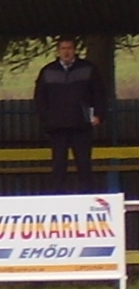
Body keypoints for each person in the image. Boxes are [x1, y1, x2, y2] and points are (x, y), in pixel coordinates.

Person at [34, 36, 107, 194]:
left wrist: (99, 114)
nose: (66, 52)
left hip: (81, 125)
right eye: (63, 49)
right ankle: (58, 199)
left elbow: (99, 94)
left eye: (69, 48)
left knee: (84, 164)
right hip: (57, 127)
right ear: (58, 51)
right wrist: (46, 119)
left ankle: (87, 198)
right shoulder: (48, 71)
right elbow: (40, 98)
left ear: (75, 50)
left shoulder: (88, 69)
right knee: (58, 166)